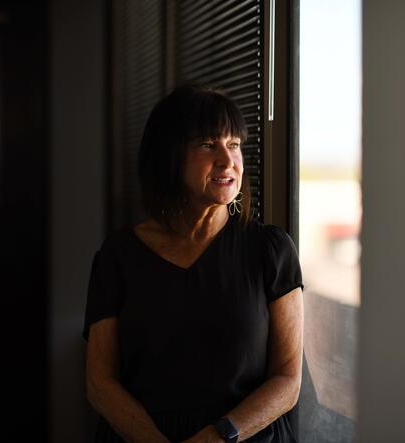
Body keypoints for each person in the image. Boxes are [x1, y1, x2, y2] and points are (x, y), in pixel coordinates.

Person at [83, 84, 304, 443]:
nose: (227, 159)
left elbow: (287, 379)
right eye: (207, 144)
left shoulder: (270, 250)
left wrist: (221, 435)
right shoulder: (119, 256)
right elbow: (99, 383)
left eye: (234, 144)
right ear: (169, 156)